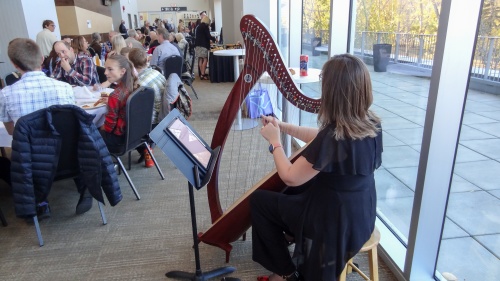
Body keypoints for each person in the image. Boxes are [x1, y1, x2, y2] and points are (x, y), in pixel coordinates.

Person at [251, 54, 383, 281]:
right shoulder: (371, 124)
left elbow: (290, 176)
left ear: (333, 94)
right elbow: (320, 139)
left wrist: (275, 142)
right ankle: (293, 239)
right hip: (361, 215)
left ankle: (287, 272)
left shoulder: (333, 137)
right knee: (294, 192)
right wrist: (282, 126)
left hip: (333, 223)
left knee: (260, 201)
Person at [0, 38, 82, 218]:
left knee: (10, 158)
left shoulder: (6, 94)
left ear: (14, 64)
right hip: (69, 157)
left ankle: (41, 201)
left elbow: (13, 132)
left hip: (33, 164)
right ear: (42, 60)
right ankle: (82, 186)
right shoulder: (65, 88)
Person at [128, 48, 167, 168]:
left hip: (150, 123)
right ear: (146, 60)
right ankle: (148, 146)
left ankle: (145, 147)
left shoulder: (139, 83)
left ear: (131, 64)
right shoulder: (157, 72)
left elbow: (132, 109)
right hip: (164, 116)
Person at [98, 54, 137, 154]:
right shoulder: (133, 85)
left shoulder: (115, 95)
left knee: (86, 133)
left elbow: (109, 126)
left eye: (110, 69)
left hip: (119, 139)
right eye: (105, 68)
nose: (105, 73)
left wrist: (100, 127)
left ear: (122, 71)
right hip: (134, 135)